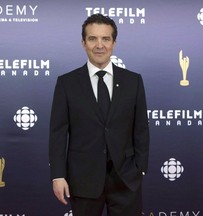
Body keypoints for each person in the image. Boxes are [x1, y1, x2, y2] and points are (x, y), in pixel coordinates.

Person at [49, 13, 149, 216]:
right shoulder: (67, 83)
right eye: (92, 38)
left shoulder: (133, 81)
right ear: (83, 43)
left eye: (105, 39)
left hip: (126, 180)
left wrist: (140, 169)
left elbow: (141, 130)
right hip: (83, 180)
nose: (99, 45)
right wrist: (58, 175)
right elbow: (58, 133)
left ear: (114, 42)